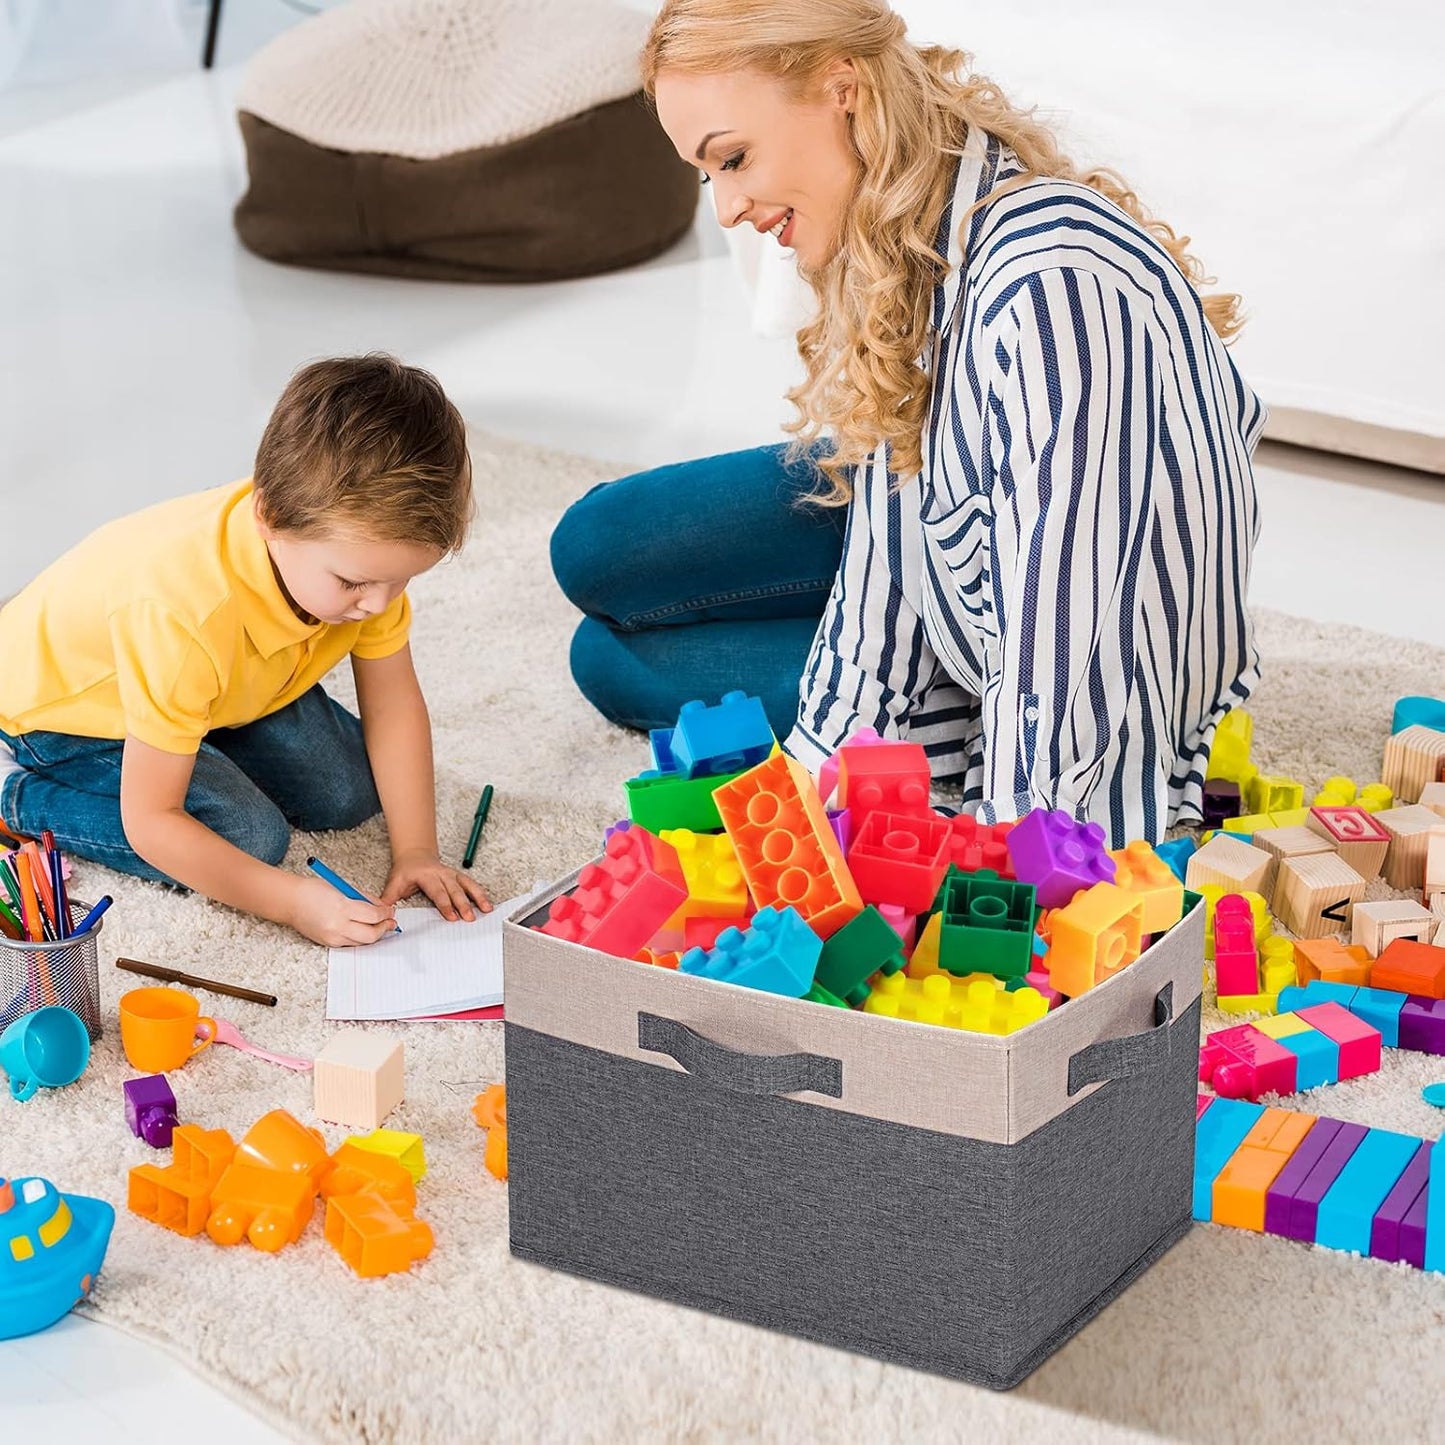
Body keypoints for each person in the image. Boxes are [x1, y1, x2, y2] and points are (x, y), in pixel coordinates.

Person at [551, 0, 1263, 847]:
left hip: (1050, 650)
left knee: (611, 656)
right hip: (966, 607)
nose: (728, 209)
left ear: (840, 88)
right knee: (595, 570)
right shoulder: (902, 251)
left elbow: (1075, 642)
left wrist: (1020, 861)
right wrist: (816, 802)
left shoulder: (1048, 285)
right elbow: (888, 561)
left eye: (734, 159)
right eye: (711, 176)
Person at [0, 355, 491, 945]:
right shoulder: (182, 612)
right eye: (354, 584)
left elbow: (393, 706)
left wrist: (418, 849)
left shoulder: (353, 571)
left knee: (350, 792)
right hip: (66, 716)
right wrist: (291, 904)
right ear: (271, 518)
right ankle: (19, 797)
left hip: (225, 690)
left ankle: (200, 735)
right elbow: (152, 820)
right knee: (247, 837)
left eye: (401, 581)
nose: (379, 604)